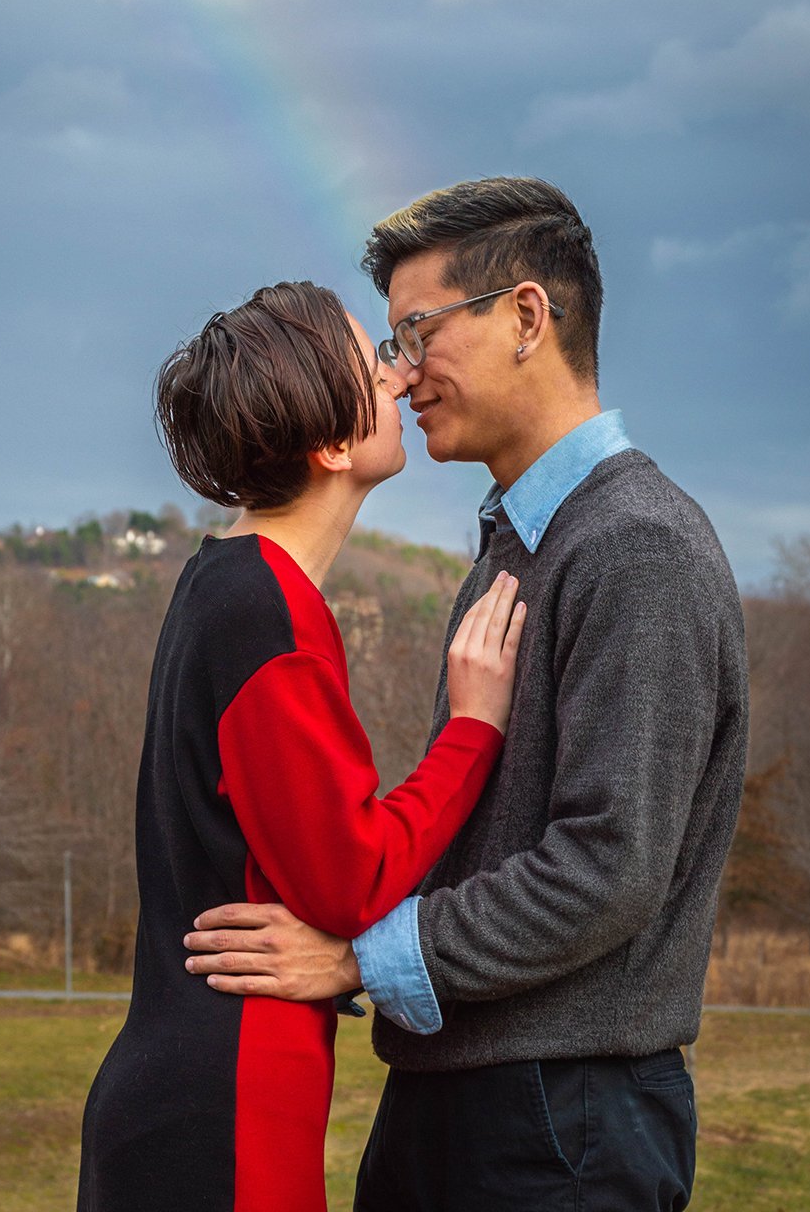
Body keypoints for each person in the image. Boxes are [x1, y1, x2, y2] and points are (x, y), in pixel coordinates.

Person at [184, 179, 750, 1211]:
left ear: (527, 316)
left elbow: (607, 869)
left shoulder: (637, 545)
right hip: (464, 1098)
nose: (401, 372)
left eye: (418, 330)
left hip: (559, 1123)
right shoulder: (518, 545)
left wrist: (355, 958)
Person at [76, 280, 527, 1212]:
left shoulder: (225, 582)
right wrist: (475, 729)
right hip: (222, 1109)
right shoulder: (262, 613)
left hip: (192, 1091)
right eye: (376, 365)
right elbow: (350, 879)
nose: (402, 378)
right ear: (329, 446)